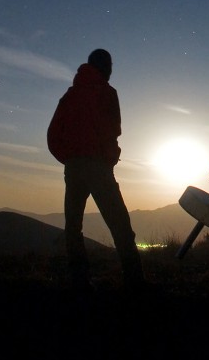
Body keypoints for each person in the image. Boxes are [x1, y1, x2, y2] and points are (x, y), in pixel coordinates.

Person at [48, 49, 144, 290]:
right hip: (98, 167)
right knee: (119, 224)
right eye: (110, 65)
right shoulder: (108, 93)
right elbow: (114, 131)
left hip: (74, 168)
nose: (112, 70)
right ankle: (134, 282)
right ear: (104, 67)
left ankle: (80, 282)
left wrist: (69, 159)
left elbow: (52, 135)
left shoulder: (68, 96)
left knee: (73, 226)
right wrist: (108, 158)